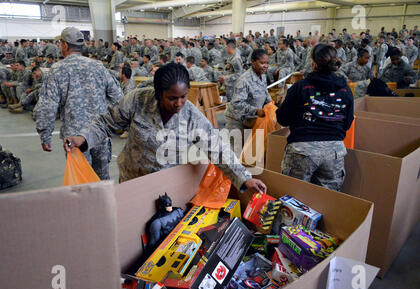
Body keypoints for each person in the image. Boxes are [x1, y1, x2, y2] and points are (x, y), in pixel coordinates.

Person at [64, 62, 267, 194]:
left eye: (183, 96)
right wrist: (83, 138)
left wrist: (244, 178)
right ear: (158, 93)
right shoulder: (137, 100)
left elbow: (217, 148)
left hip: (165, 185)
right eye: (172, 98)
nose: (179, 103)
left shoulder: (191, 115)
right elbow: (106, 123)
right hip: (131, 180)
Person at [35, 27, 123, 180]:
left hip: (74, 137)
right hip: (100, 132)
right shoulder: (98, 66)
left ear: (65, 45)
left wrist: (45, 135)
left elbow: (48, 105)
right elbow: (118, 97)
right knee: (102, 180)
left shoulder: (57, 70)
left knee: (82, 181)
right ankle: (105, 204)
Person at [277, 44, 354, 192]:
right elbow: (347, 123)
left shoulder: (300, 87)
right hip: (334, 152)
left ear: (313, 63)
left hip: (302, 150)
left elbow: (283, 119)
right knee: (327, 201)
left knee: (293, 199)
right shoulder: (345, 90)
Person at [225, 49, 271, 143]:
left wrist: (271, 104)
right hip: (237, 121)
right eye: (262, 63)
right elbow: (237, 104)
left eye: (267, 63)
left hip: (251, 119)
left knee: (250, 151)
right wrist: (256, 111)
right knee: (237, 152)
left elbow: (265, 92)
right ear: (253, 62)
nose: (265, 66)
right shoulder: (244, 80)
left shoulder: (263, 76)